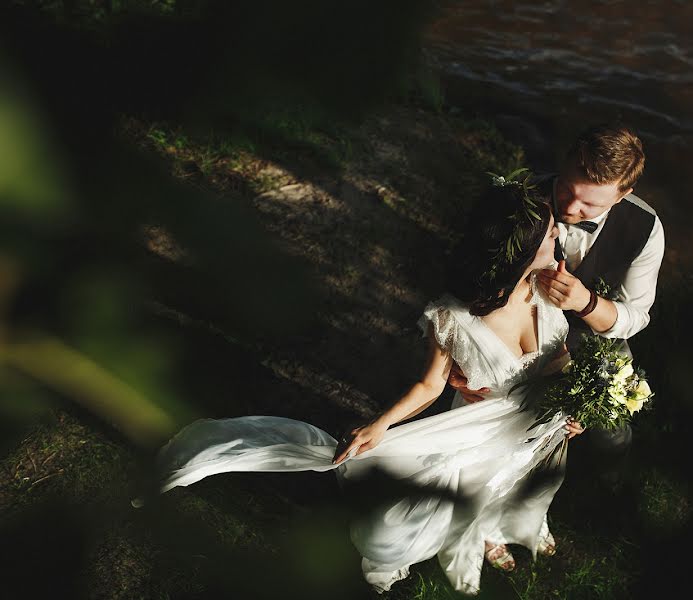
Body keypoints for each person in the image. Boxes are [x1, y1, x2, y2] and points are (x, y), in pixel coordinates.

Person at [153, 179, 584, 596]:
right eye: (549, 233)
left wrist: (577, 402)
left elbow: (559, 353)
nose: (559, 235)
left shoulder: (550, 289)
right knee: (466, 491)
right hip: (478, 430)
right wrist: (381, 425)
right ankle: (475, 534)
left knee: (521, 483)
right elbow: (430, 384)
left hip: (541, 427)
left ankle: (502, 527)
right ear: (521, 250)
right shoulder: (453, 316)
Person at [449, 122, 665, 486]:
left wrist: (587, 303)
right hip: (513, 340)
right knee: (495, 426)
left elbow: (637, 316)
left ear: (622, 194)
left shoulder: (646, 228)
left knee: (611, 431)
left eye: (590, 203)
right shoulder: (516, 198)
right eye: (567, 188)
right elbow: (470, 278)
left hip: (593, 342)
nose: (568, 206)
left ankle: (610, 481)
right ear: (565, 162)